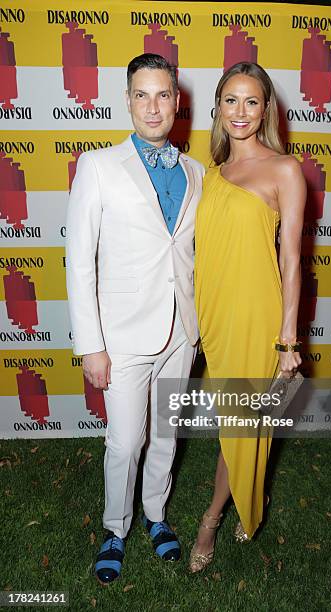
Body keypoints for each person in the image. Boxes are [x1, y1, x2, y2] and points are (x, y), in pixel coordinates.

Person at [65, 53, 204, 585]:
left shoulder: (196, 172)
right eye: (141, 95)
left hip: (181, 333)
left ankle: (154, 515)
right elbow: (79, 261)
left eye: (163, 94)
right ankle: (114, 527)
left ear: (177, 102)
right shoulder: (98, 166)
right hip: (121, 336)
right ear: (127, 101)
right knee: (125, 441)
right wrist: (90, 345)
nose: (153, 106)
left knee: (165, 434)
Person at [190, 62, 305, 572]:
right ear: (217, 107)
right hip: (213, 314)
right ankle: (238, 497)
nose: (240, 111)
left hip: (258, 318)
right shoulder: (210, 175)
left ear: (266, 109)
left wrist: (287, 340)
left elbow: (292, 258)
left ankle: (211, 518)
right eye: (231, 100)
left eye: (251, 101)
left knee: (239, 426)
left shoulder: (284, 169)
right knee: (233, 425)